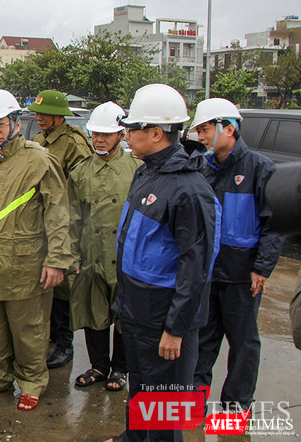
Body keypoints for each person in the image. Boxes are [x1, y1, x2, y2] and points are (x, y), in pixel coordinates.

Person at [111, 84, 220, 442]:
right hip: (138, 312)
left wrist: (176, 328)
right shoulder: (146, 173)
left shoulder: (190, 190)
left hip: (164, 320)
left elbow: (196, 266)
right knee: (141, 392)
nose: (127, 135)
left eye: (133, 128)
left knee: (163, 409)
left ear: (156, 133)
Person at [0, 89, 70, 412]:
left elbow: (58, 212)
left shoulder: (39, 160)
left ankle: (32, 381)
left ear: (16, 122)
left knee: (29, 329)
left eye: (1, 124)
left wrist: (57, 260)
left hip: (27, 261)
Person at [190, 98, 284, 411]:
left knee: (243, 343)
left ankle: (236, 406)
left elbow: (275, 223)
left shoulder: (260, 169)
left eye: (205, 129)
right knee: (202, 340)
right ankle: (194, 402)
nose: (201, 137)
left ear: (228, 128)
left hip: (242, 276)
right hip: (208, 274)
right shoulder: (203, 169)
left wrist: (262, 267)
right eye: (198, 130)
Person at [69, 102, 139, 392]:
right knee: (93, 312)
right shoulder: (80, 172)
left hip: (125, 256)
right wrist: (72, 255)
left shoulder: (137, 169)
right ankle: (99, 366)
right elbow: (72, 216)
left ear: (121, 135)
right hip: (91, 254)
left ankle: (121, 369)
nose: (99, 139)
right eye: (95, 134)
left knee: (125, 316)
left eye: (106, 134)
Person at [27, 89, 93, 369]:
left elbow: (84, 186)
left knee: (64, 287)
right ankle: (52, 335)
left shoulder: (74, 143)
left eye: (46, 114)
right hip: (41, 221)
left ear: (59, 117)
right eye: (38, 113)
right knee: (46, 283)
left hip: (66, 221)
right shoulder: (39, 140)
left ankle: (65, 345)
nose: (40, 118)